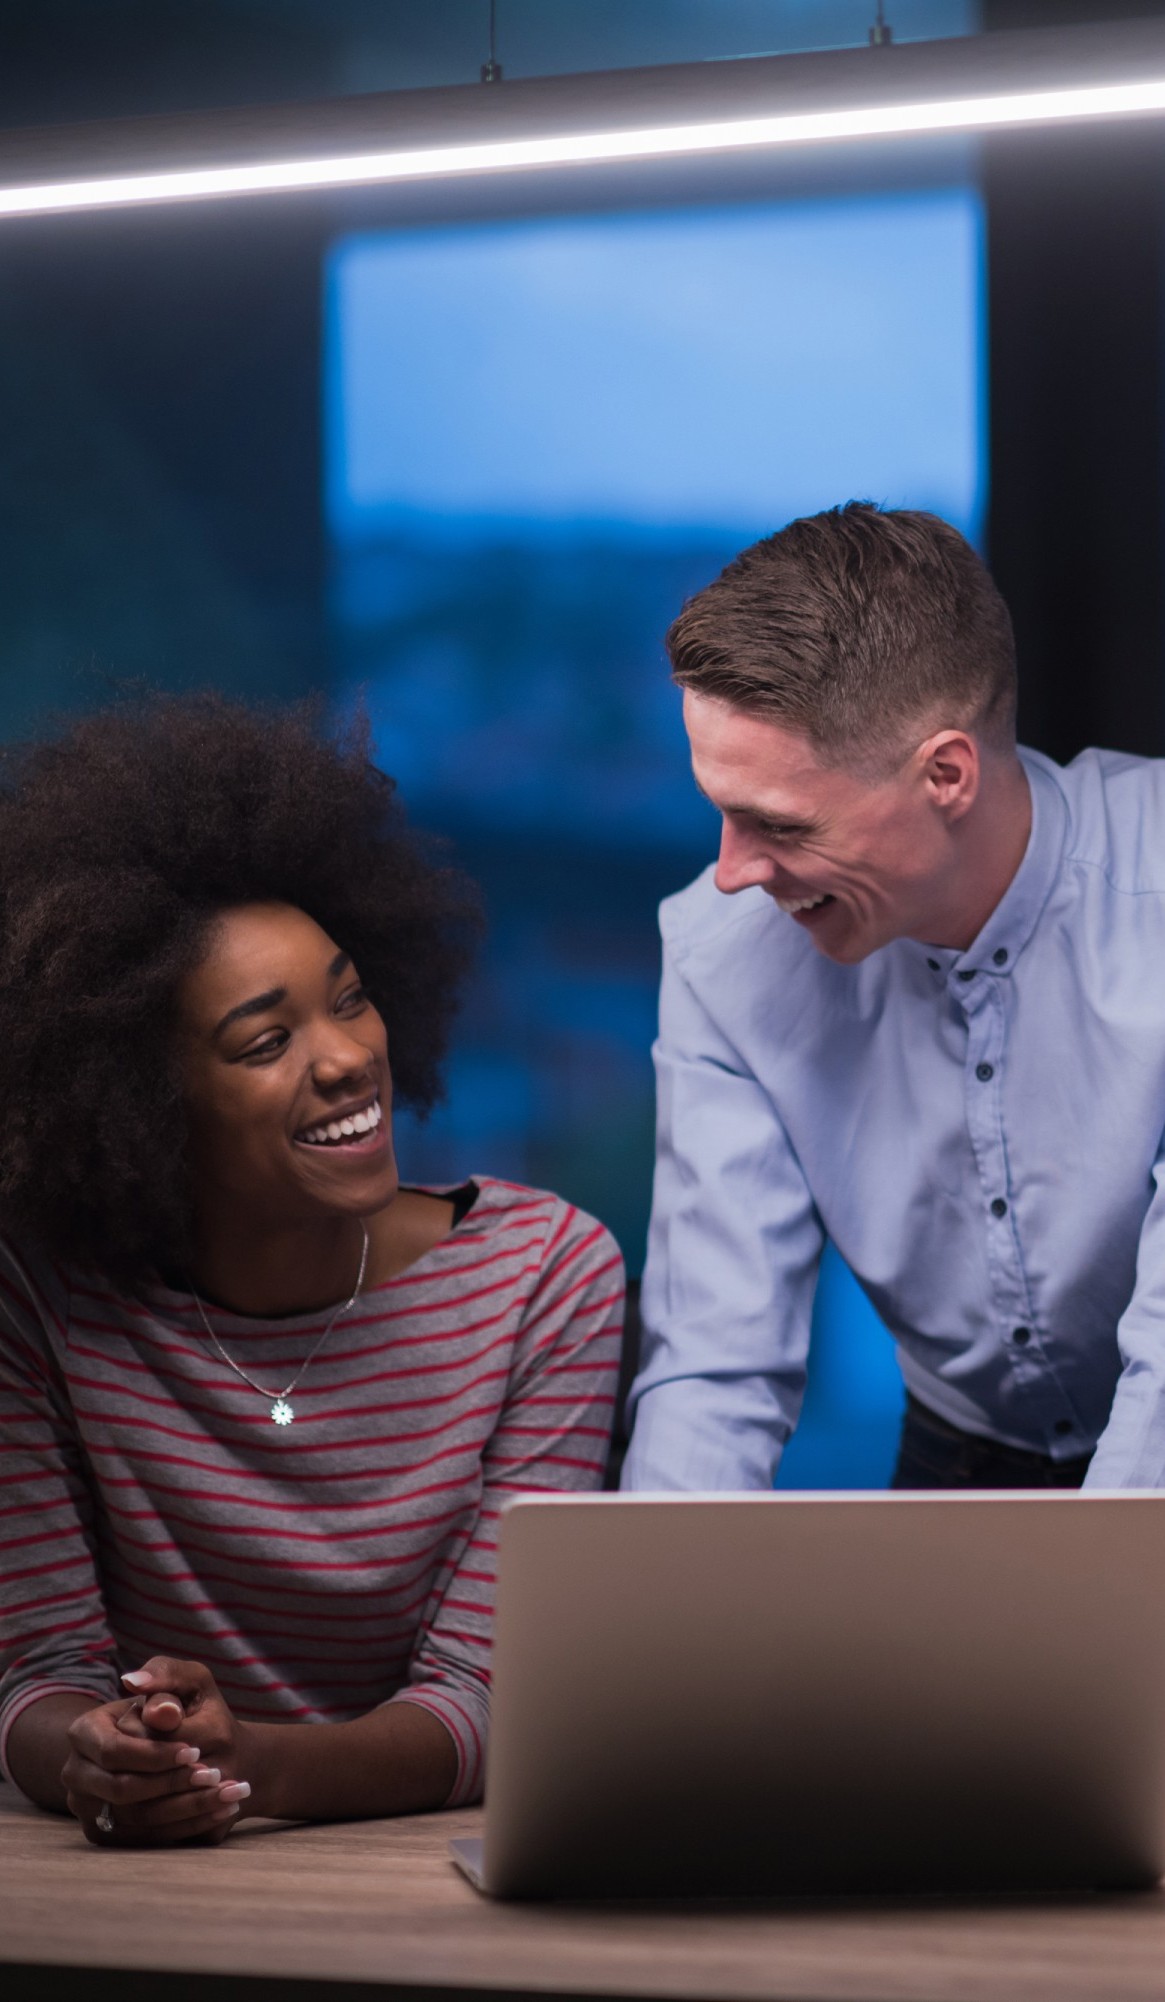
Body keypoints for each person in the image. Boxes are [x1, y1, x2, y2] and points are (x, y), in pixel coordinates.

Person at [0, 694, 623, 1844]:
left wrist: (250, 1771)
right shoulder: (43, 1301)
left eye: (349, 997)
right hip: (120, 1901)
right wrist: (102, 1756)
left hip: (429, 1880)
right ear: (139, 1103)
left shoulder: (546, 1278)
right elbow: (36, 1676)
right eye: (264, 1039)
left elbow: (488, 1697)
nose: (346, 1058)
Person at [622, 500, 1165, 1495]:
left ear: (946, 774)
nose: (732, 872)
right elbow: (714, 1367)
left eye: (775, 824)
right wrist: (650, 1638)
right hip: (959, 1455)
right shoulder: (719, 950)